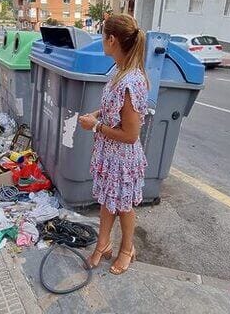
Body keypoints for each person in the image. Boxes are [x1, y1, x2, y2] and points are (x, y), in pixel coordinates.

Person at [78, 14, 149, 275]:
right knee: (108, 203)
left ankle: (127, 249)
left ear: (111, 39)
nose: (100, 41)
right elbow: (114, 110)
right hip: (109, 154)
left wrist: (95, 126)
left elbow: (130, 134)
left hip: (122, 158)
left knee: (124, 207)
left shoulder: (131, 82)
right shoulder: (120, 71)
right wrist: (96, 115)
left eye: (102, 36)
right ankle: (103, 245)